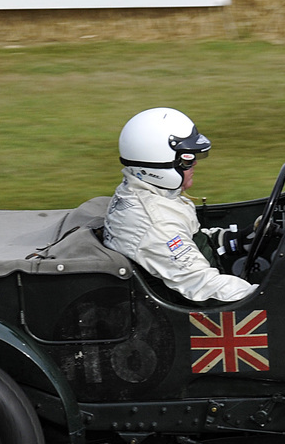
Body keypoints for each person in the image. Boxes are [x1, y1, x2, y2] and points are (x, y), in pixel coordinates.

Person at [102, 109, 255, 304]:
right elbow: (203, 285)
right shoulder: (156, 223)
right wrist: (268, 295)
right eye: (187, 159)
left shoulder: (154, 194)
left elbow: (186, 243)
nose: (195, 164)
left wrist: (235, 239)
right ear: (160, 162)